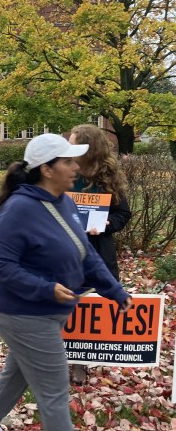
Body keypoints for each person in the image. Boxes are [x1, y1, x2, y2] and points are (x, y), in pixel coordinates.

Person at [0, 133, 131, 431]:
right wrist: (45, 289)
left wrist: (115, 291)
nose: (76, 167)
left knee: (18, 373)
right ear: (47, 168)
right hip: (23, 313)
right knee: (54, 393)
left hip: (47, 311)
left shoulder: (63, 201)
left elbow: (86, 254)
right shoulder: (20, 209)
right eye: (69, 162)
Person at [68, 124, 132, 384]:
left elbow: (123, 214)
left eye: (73, 143)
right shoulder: (65, 171)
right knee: (67, 301)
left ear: (88, 147)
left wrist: (106, 224)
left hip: (98, 250)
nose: (68, 147)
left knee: (89, 306)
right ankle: (63, 355)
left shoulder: (108, 177)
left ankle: (80, 361)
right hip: (67, 250)